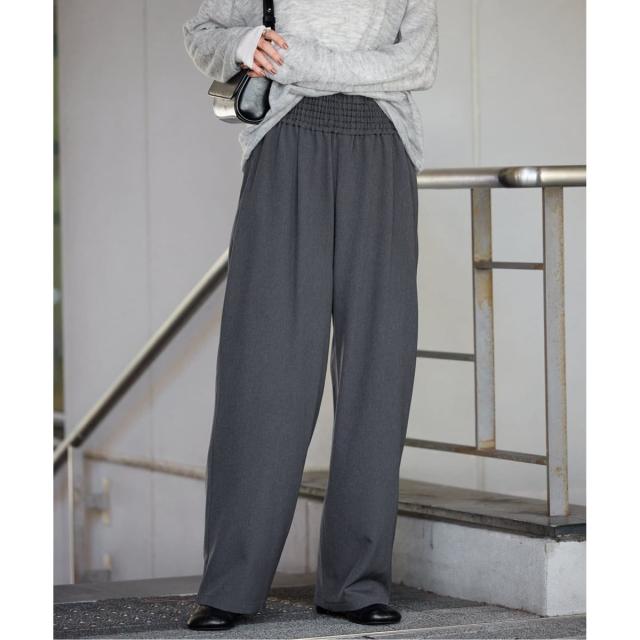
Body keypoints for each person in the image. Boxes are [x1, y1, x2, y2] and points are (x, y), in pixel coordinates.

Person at [182, 0, 439, 631]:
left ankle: (357, 583)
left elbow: (418, 63)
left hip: (383, 149)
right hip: (285, 145)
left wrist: (299, 61)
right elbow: (202, 33)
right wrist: (242, 43)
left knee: (379, 369)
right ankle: (232, 585)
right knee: (264, 366)